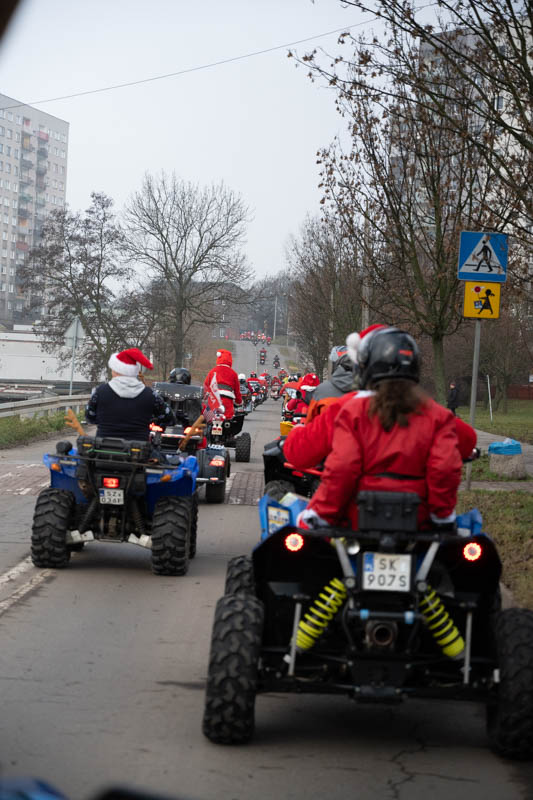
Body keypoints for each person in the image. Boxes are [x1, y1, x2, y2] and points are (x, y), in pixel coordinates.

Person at [299, 327, 462, 531]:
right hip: (418, 522)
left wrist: (323, 512)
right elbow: (444, 469)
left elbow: (343, 467)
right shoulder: (437, 415)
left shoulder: (352, 411)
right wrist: (442, 515)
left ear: (365, 366)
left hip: (357, 520)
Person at [86, 348, 175, 441]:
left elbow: (90, 417)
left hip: (103, 446)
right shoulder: (150, 395)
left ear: (116, 371)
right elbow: (169, 419)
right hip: (139, 447)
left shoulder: (99, 392)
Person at [203, 348, 242, 420]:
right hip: (227, 400)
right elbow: (237, 390)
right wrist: (239, 401)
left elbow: (206, 386)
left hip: (213, 400)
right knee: (228, 419)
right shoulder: (233, 373)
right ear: (230, 360)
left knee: (209, 418)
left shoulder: (212, 371)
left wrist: (204, 397)